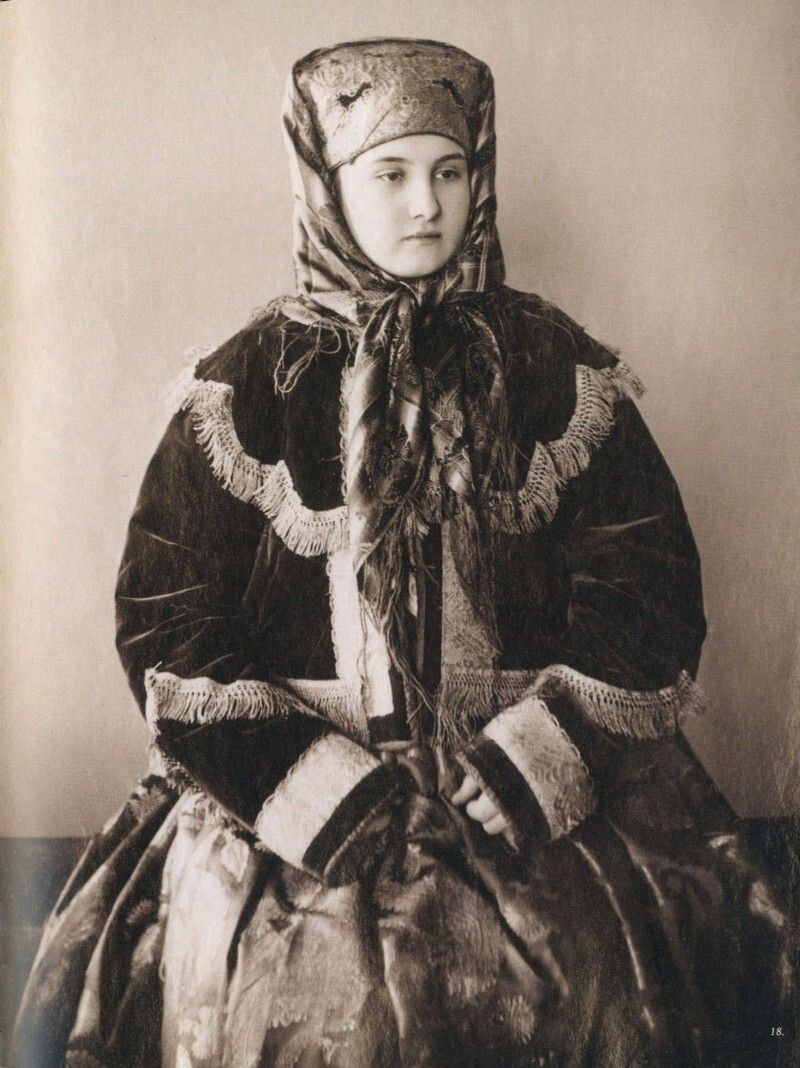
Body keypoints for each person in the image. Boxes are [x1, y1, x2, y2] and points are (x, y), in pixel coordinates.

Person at [13, 37, 797, 1068]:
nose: (426, 204)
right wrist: (303, 781)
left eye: (449, 171)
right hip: (297, 801)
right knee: (302, 1004)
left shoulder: (552, 366)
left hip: (523, 785)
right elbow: (169, 619)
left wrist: (535, 759)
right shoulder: (245, 384)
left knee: (594, 983)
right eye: (389, 174)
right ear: (326, 184)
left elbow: (646, 589)